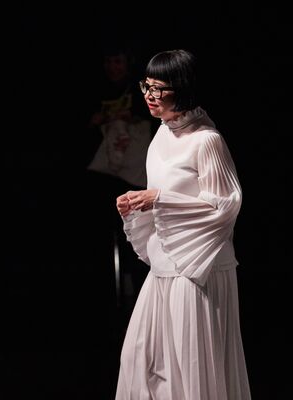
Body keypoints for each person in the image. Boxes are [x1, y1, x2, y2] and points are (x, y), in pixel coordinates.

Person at [114, 49, 251, 399]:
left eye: (158, 88)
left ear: (183, 89)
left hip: (197, 268)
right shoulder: (160, 135)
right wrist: (138, 203)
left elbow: (225, 205)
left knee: (189, 366)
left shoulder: (207, 140)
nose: (149, 95)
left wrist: (157, 198)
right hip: (164, 266)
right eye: (146, 86)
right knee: (141, 359)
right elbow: (164, 197)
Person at [84, 42, 155, 307]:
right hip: (106, 173)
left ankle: (139, 296)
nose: (112, 68)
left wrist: (133, 115)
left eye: (118, 62)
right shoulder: (98, 90)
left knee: (137, 236)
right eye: (108, 62)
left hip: (136, 173)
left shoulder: (140, 89)